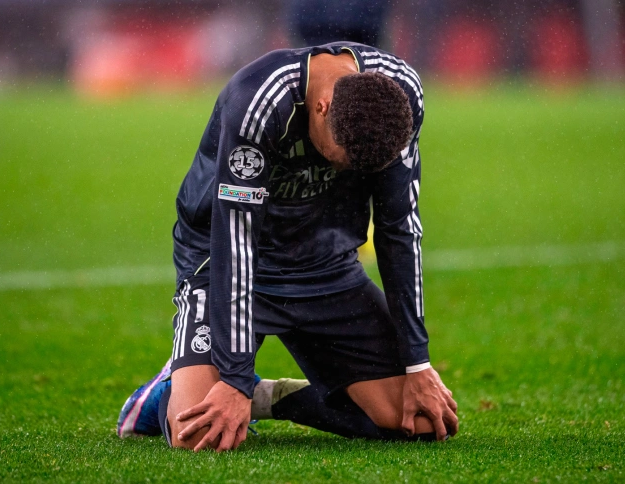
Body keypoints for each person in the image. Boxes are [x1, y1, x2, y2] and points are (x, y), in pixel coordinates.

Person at [117, 42, 458, 452]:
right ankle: (165, 392)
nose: (343, 172)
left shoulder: (400, 93)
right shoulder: (258, 101)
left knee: (419, 421)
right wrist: (234, 379)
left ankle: (267, 397)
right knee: (197, 436)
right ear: (322, 108)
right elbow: (236, 240)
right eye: (340, 159)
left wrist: (417, 363)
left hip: (325, 266)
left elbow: (399, 228)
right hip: (226, 257)